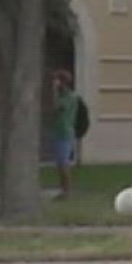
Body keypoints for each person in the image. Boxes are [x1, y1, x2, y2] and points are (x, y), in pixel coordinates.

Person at [50, 70, 80, 200]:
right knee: (59, 164)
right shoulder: (64, 96)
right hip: (58, 132)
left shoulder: (70, 97)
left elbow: (56, 107)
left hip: (65, 133)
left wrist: (54, 91)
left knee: (64, 164)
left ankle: (68, 191)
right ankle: (63, 191)